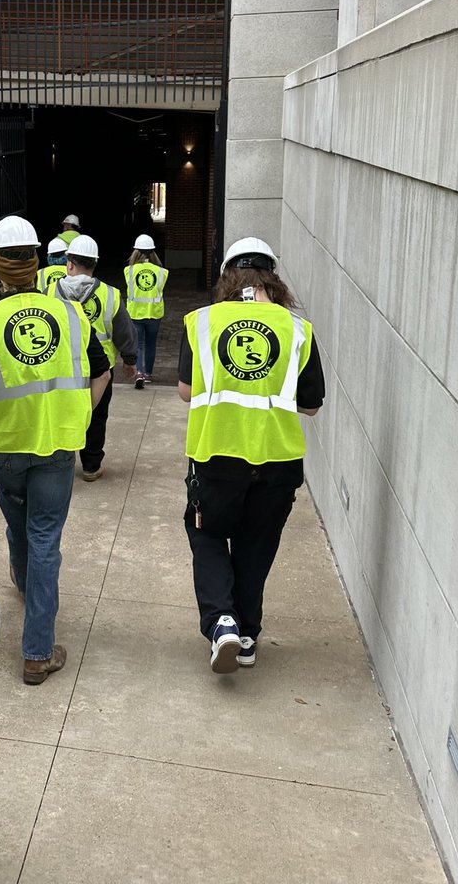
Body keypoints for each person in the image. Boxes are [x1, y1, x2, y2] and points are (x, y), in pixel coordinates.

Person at [0, 216, 110, 685]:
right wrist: (78, 414)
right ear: (40, 262)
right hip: (58, 448)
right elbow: (101, 373)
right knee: (44, 537)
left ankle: (26, 585)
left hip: (6, 449)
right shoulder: (70, 316)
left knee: (21, 526)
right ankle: (37, 651)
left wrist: (1, 419)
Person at [178, 238, 325, 674]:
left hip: (216, 458)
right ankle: (246, 637)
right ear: (273, 281)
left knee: (206, 535)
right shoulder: (297, 330)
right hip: (277, 465)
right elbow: (312, 404)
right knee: (255, 546)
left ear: (228, 277)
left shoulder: (202, 323)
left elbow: (187, 391)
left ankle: (222, 620)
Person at [49, 234, 137, 481]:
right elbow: (124, 331)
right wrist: (129, 361)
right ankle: (90, 465)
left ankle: (58, 463)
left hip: (63, 369)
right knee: (96, 417)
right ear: (94, 264)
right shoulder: (110, 295)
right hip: (100, 370)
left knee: (61, 414)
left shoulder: (49, 294)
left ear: (69, 263)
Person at [123, 234, 168, 388]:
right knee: (150, 344)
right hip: (154, 313)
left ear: (135, 252)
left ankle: (139, 373)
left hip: (135, 312)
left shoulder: (128, 271)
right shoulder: (162, 272)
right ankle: (148, 373)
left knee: (138, 345)